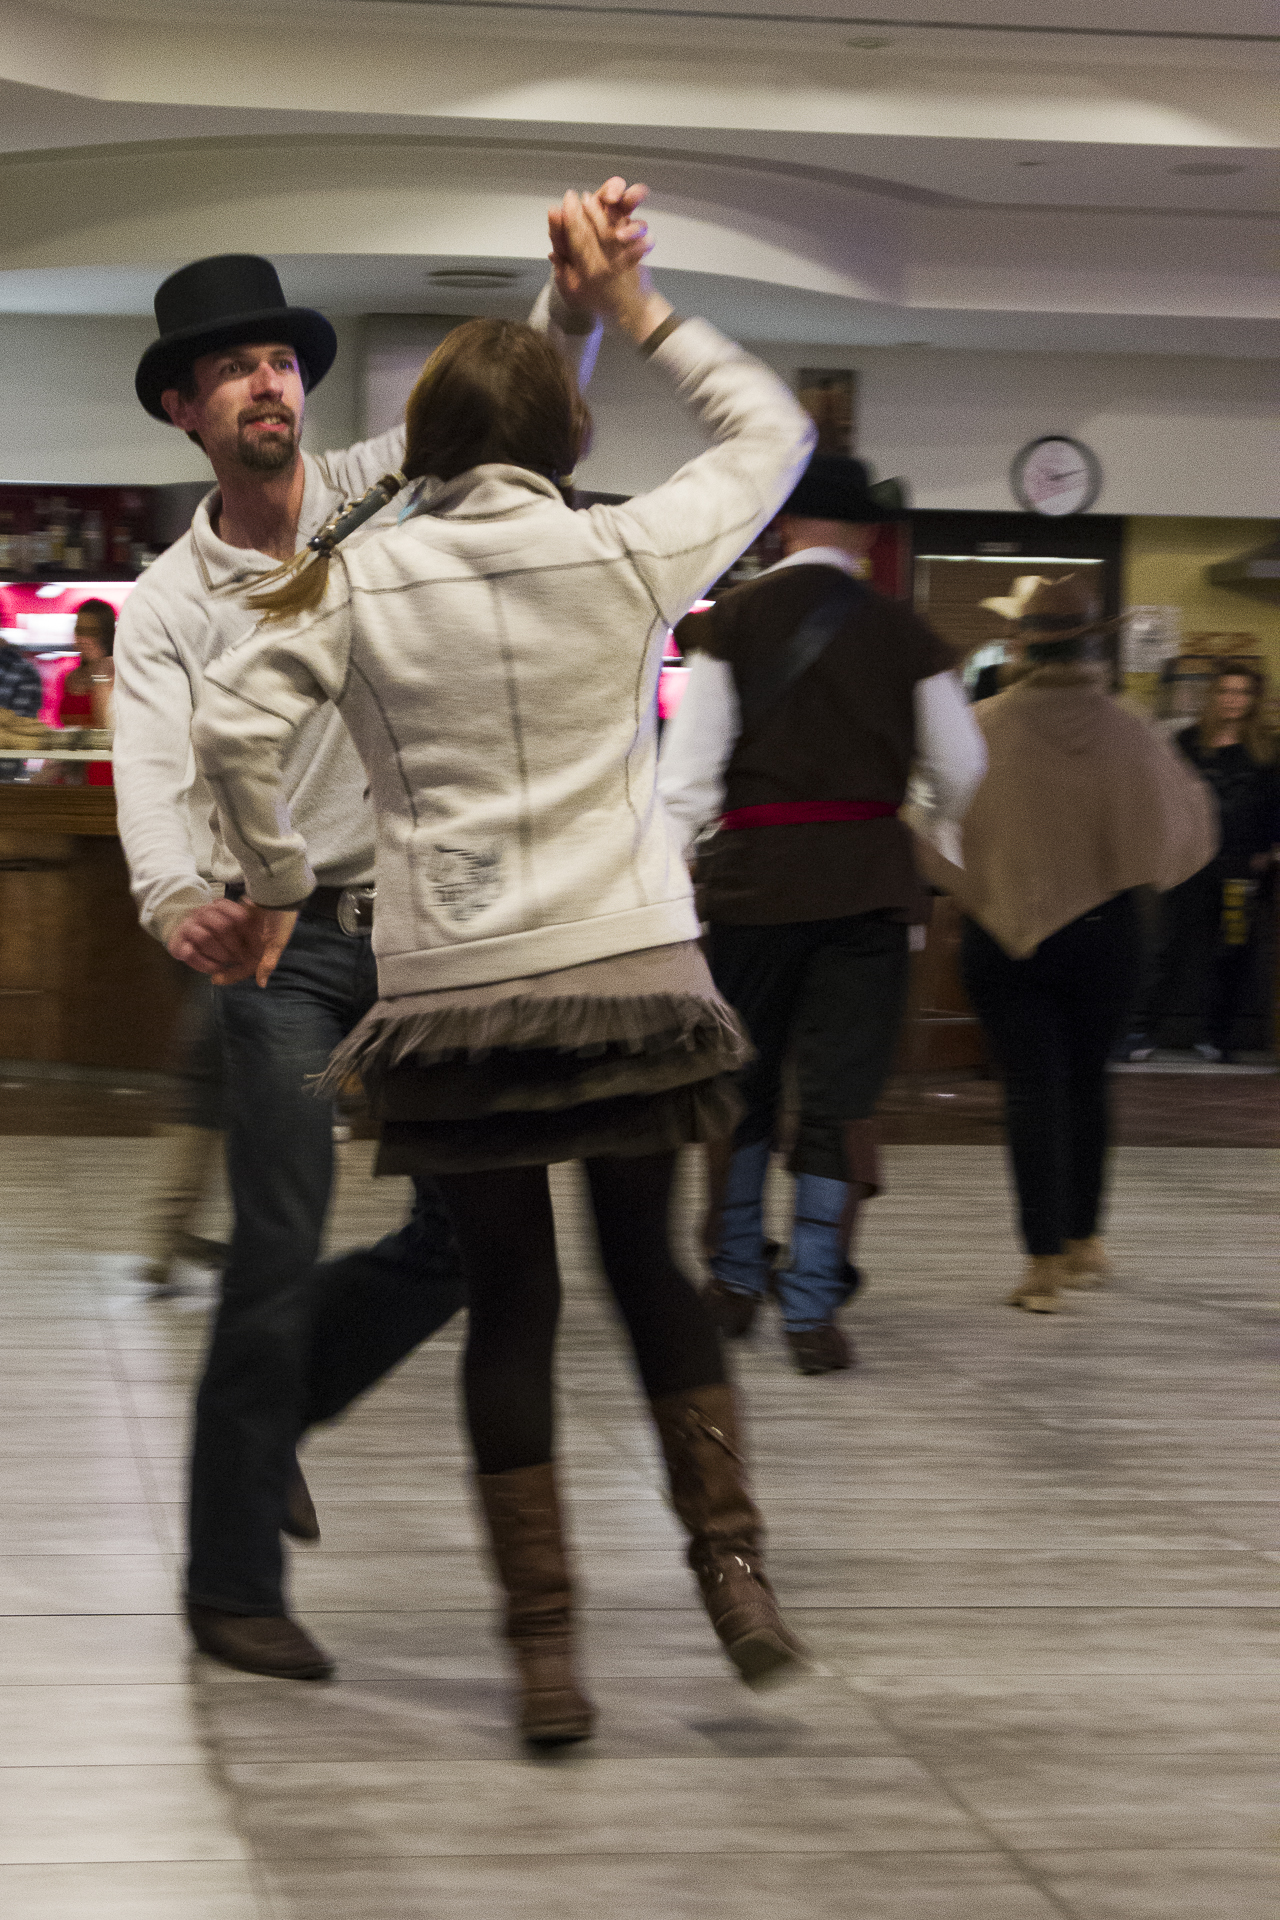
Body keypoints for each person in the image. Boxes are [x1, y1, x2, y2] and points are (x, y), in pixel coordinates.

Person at [190, 183, 816, 1745]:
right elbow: (776, 432)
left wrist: (277, 878)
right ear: (568, 439)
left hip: (455, 990)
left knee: (513, 1303)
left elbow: (232, 726)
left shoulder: (357, 577)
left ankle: (546, 1658)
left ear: (419, 449)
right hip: (630, 970)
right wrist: (633, 309)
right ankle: (734, 1571)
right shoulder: (626, 554)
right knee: (652, 1270)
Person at [113, 218, 626, 1681]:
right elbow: (150, 780)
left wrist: (573, 312)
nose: (267, 384)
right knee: (273, 1243)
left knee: (469, 1239)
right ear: (185, 408)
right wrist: (172, 900)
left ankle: (273, 1413)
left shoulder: (380, 488)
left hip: (426, 937)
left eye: (279, 361)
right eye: (233, 370)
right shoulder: (166, 609)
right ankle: (231, 1587)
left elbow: (502, 406)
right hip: (278, 954)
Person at [657, 455, 987, 1374]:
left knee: (740, 1088)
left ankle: (732, 1282)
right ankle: (810, 1311)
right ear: (869, 536)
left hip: (753, 890)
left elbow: (686, 779)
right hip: (868, 892)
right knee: (841, 1099)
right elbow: (962, 766)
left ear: (783, 527)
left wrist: (672, 873)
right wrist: (922, 822)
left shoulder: (732, 623)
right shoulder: (904, 630)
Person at [906, 575, 1218, 1313]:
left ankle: (1041, 1264)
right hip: (1109, 936)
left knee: (1030, 1091)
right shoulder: (1131, 731)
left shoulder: (981, 725)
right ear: (1092, 648)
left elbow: (926, 823)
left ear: (1021, 647)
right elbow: (1190, 824)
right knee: (1087, 1084)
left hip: (1000, 937)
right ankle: (1084, 1241)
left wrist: (977, 880)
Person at [1125, 662, 1279, 1063]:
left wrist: (1268, 847)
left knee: (1233, 948)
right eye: (1226, 691)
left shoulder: (1268, 747)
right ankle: (1143, 1031)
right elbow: (1166, 796)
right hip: (1191, 863)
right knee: (1172, 946)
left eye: (1242, 692)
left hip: (1241, 867)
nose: (1233, 699)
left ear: (1253, 699)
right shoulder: (1188, 741)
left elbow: (1275, 802)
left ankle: (1218, 1035)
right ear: (1214, 695)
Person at [56, 599, 116, 785]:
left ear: (105, 636)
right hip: (70, 769)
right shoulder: (70, 677)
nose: (83, 638)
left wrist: (100, 673)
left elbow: (106, 727)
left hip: (102, 770)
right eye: (80, 630)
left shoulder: (115, 675)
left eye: (91, 632)